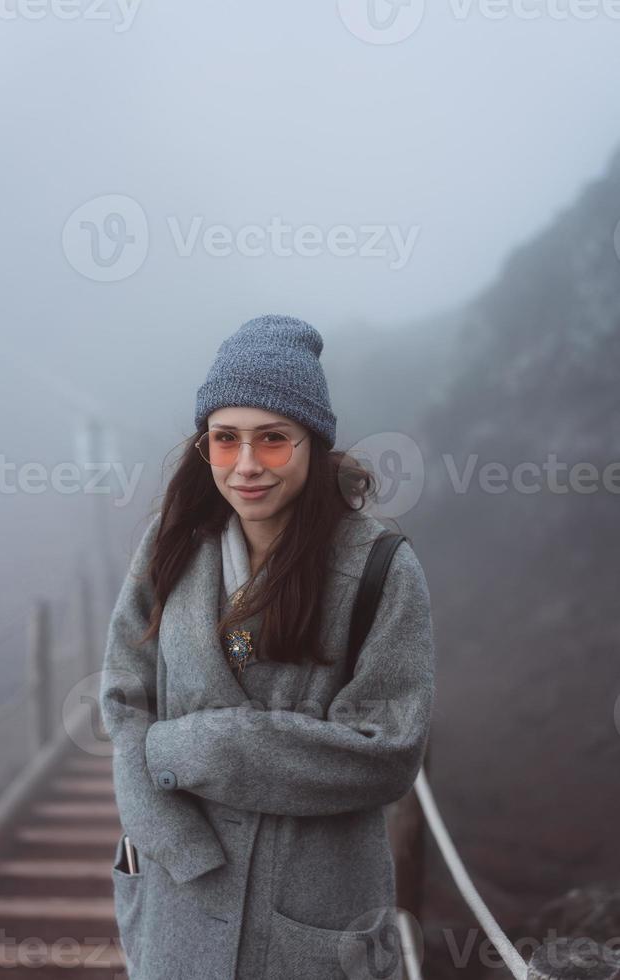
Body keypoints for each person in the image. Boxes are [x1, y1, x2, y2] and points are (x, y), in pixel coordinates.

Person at [99, 313, 436, 980]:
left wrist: (205, 748)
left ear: (312, 443)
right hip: (177, 904)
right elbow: (123, 695)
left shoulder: (379, 569)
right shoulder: (172, 544)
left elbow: (388, 751)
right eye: (225, 440)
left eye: (272, 440)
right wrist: (169, 839)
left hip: (310, 924)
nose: (247, 465)